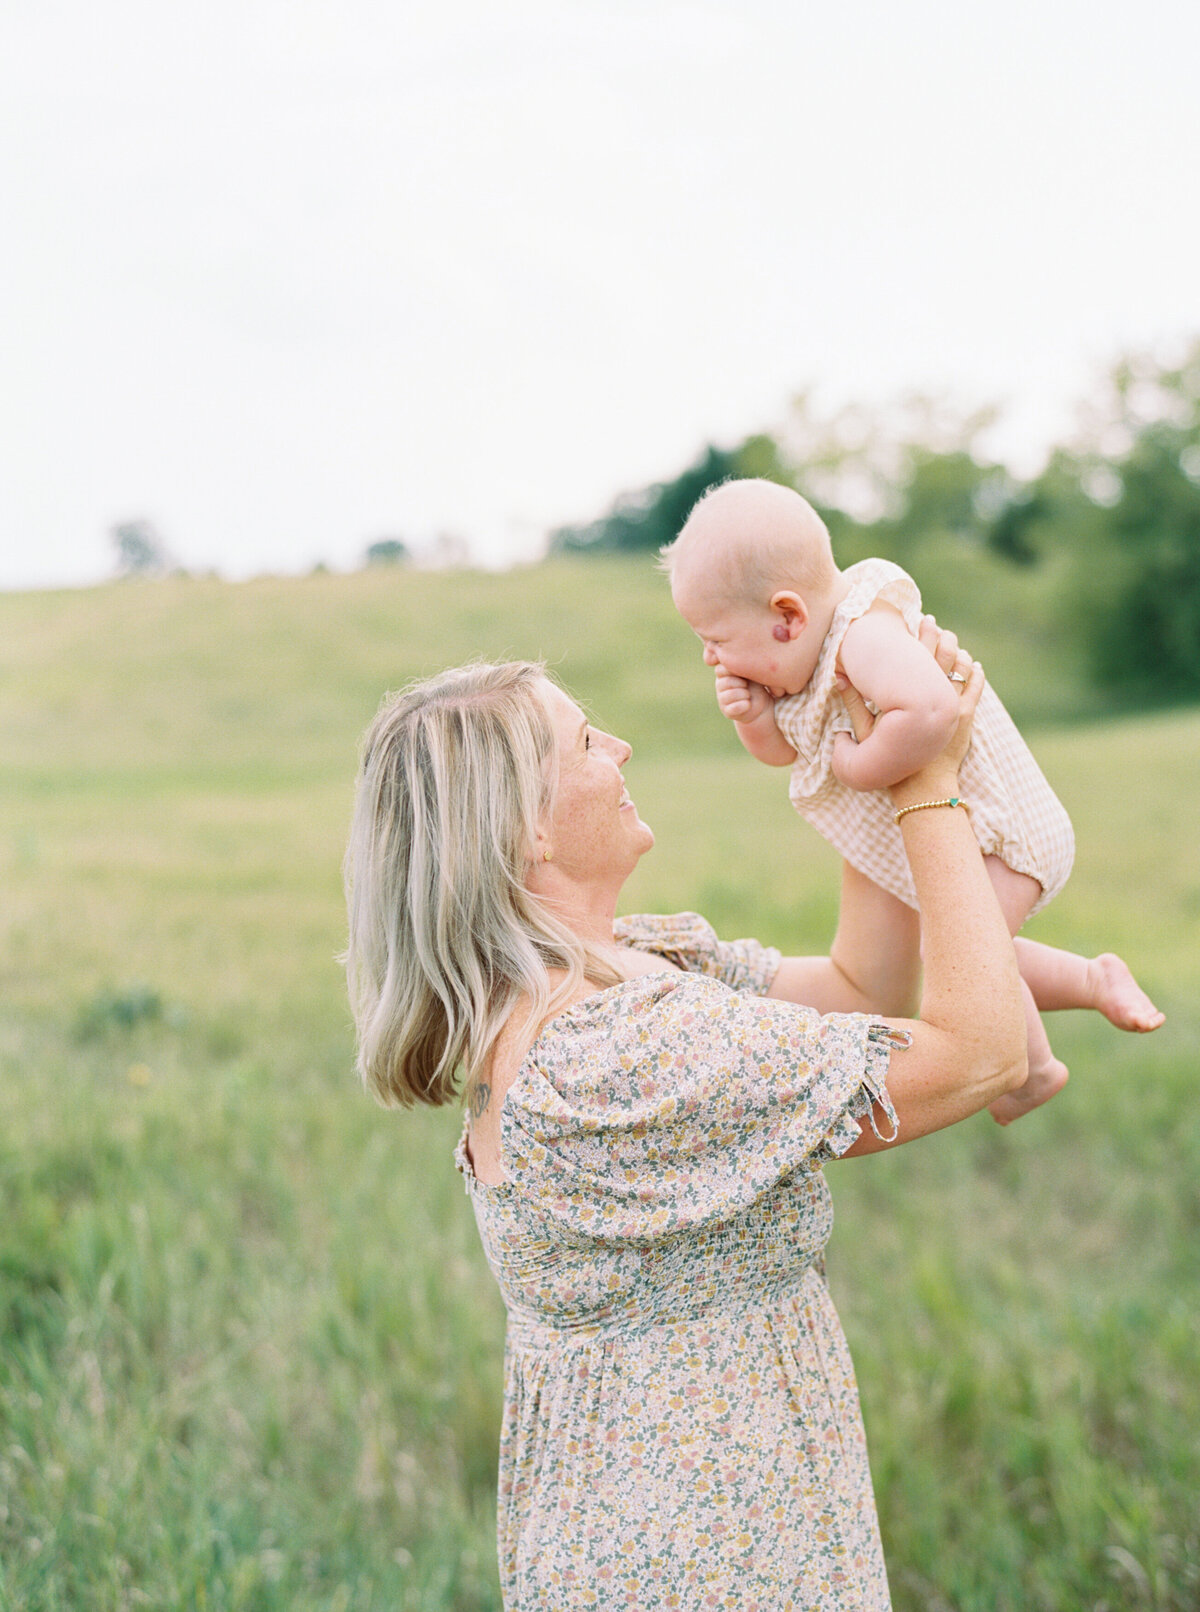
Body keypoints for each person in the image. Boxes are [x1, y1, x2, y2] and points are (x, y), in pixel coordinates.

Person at [344, 642, 1042, 1609]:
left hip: (713, 1516)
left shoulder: (619, 969)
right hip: (703, 1555)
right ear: (527, 832)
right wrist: (928, 779)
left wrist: (858, 753)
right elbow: (981, 1053)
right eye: (588, 740)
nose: (622, 748)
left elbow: (857, 990)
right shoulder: (614, 1052)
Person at [662, 477, 1163, 1123]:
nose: (709, 658)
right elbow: (783, 754)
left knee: (961, 954)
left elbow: (931, 711)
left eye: (717, 639)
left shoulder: (862, 637)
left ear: (788, 617)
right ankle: (1076, 1006)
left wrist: (861, 765)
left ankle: (1044, 1056)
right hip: (968, 834)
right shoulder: (805, 663)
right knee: (967, 949)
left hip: (1003, 834)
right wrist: (754, 717)